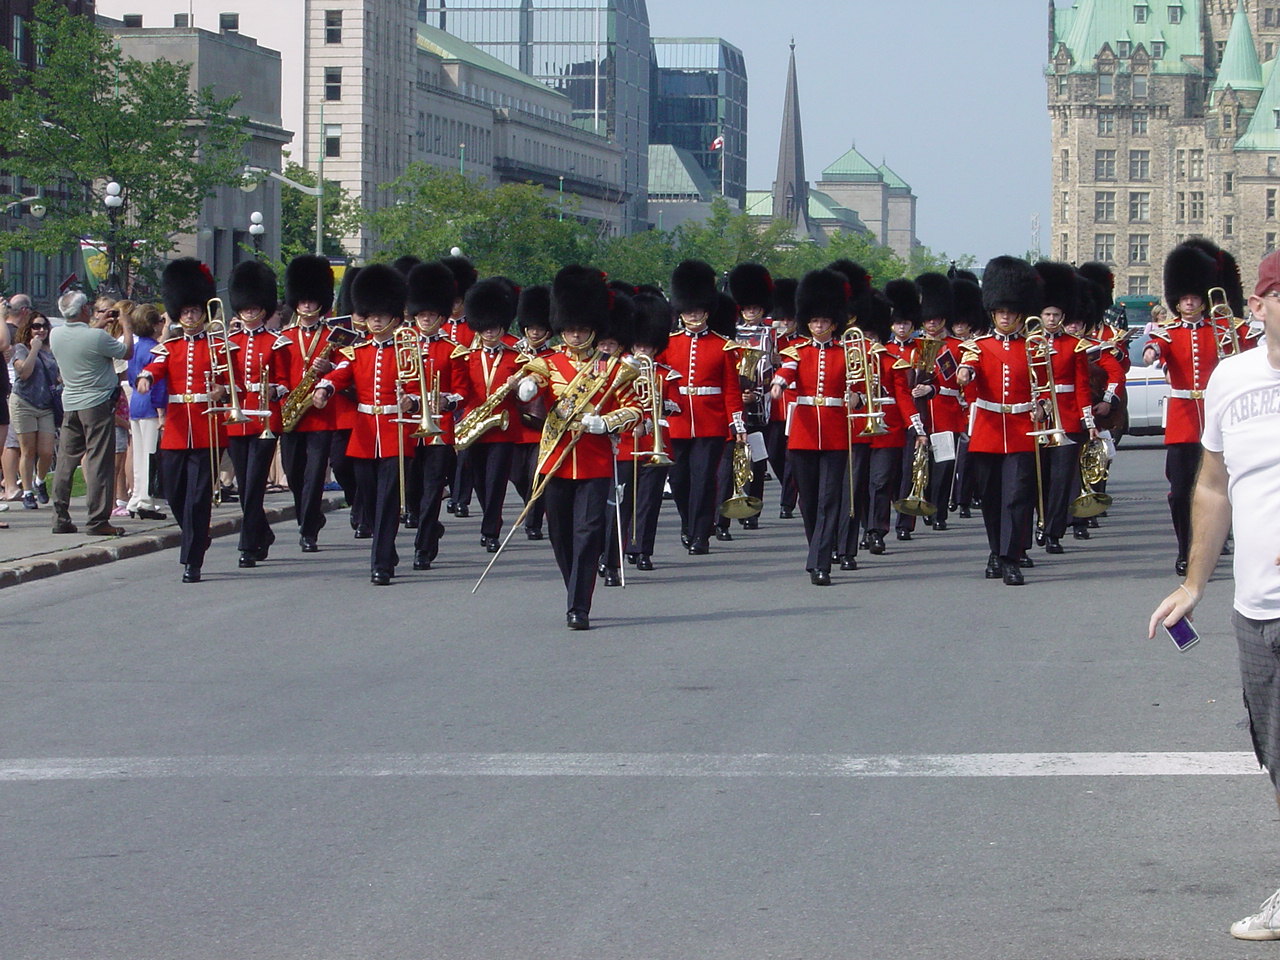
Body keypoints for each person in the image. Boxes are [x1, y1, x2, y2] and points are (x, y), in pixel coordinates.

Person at [1147, 248, 1280, 941]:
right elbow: (1212, 486)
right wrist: (1194, 583)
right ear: (1257, 307)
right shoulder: (1230, 378)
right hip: (1256, 606)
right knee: (1275, 754)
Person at [516, 265, 642, 630]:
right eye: (570, 329)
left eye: (582, 329)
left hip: (595, 461)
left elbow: (635, 408)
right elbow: (535, 384)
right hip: (556, 460)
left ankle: (578, 604)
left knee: (588, 532)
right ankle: (575, 583)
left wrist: (607, 423)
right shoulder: (547, 361)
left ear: (593, 329)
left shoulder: (615, 369)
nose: (575, 335)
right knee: (560, 534)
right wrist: (527, 388)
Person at [1144, 240, 1250, 575]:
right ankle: (1184, 547)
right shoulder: (1169, 332)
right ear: (1176, 301)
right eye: (1184, 298)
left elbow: (1253, 342)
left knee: (1223, 485)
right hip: (1182, 421)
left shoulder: (1224, 327)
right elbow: (1155, 347)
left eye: (1194, 297)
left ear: (1203, 298)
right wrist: (1150, 354)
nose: (1189, 302)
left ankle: (1216, 540)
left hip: (1218, 417)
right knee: (1180, 492)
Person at [312, 264, 417, 585]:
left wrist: (410, 400)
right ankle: (387, 548)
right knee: (368, 498)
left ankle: (381, 562)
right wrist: (324, 387)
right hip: (364, 432)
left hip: (396, 431)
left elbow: (417, 386)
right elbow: (339, 373)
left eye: (381, 315)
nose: (375, 320)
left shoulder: (408, 350)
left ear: (394, 318)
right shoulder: (356, 351)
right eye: (371, 314)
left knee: (387, 501)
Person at [955, 255, 1043, 586]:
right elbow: (969, 367)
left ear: (1020, 314)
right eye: (1000, 312)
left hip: (1022, 429)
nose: (1006, 317)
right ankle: (996, 550)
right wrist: (965, 373)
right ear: (992, 313)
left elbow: (1043, 385)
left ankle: (1010, 557)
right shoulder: (977, 346)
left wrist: (1043, 408)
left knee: (1017, 495)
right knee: (991, 498)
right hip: (989, 430)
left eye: (1011, 312)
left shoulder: (1034, 348)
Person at [134, 259, 221, 581]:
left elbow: (233, 381)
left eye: (195, 311)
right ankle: (198, 535)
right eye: (185, 312)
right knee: (173, 492)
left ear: (203, 313)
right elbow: (155, 367)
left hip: (206, 427)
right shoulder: (169, 347)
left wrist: (222, 390)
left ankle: (192, 559)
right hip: (175, 427)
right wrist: (145, 378)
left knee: (199, 497)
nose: (190, 316)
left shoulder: (218, 345)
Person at [769, 268, 855, 585]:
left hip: (834, 433)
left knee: (830, 498)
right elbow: (788, 370)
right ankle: (819, 545)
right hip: (804, 432)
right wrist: (778, 384)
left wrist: (856, 397)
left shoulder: (847, 352)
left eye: (824, 322)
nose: (818, 326)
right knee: (808, 500)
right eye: (814, 321)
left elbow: (858, 386)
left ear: (834, 323)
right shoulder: (798, 351)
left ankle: (819, 563)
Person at [660, 259, 746, 555]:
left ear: (706, 311)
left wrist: (737, 422)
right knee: (680, 479)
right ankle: (688, 522)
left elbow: (731, 388)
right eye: (688, 311)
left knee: (703, 479)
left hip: (711, 422)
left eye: (697, 311)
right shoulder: (668, 344)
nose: (692, 316)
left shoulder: (723, 346)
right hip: (678, 420)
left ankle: (700, 534)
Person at [48, 287, 133, 537]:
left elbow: (82, 339)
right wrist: (125, 325)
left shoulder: (56, 335)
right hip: (96, 404)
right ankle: (98, 520)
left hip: (71, 403)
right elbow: (126, 351)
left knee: (65, 462)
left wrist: (98, 322)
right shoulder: (97, 338)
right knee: (99, 463)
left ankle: (59, 517)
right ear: (85, 310)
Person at [452, 277, 526, 552]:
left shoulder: (514, 357)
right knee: (479, 479)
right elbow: (459, 389)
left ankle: (491, 529)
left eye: (495, 327)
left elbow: (529, 394)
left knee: (496, 479)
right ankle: (490, 515)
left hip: (503, 427)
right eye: (486, 327)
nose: (491, 332)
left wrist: (519, 387)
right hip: (474, 424)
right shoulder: (464, 356)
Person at [225, 260, 291, 568]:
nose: (250, 311)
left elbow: (287, 381)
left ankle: (248, 543)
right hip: (238, 418)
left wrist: (274, 390)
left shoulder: (277, 342)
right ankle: (261, 532)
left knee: (253, 483)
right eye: (245, 307)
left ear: (263, 308)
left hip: (265, 417)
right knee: (244, 484)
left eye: (255, 307)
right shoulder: (229, 343)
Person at [277, 255, 342, 553]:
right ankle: (310, 515)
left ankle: (308, 530)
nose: (305, 305)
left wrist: (328, 368)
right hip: (292, 411)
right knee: (293, 472)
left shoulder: (334, 336)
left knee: (315, 473)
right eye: (301, 300)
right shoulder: (286, 336)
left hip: (320, 413)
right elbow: (278, 371)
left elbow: (345, 370)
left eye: (311, 300)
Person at [1031, 261, 1096, 555]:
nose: (1052, 319)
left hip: (1067, 416)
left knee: (1060, 479)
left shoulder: (1075, 345)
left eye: (1056, 314)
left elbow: (1082, 384)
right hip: (1038, 417)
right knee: (1038, 477)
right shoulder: (1029, 344)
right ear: (1040, 315)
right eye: (1047, 314)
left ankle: (1054, 530)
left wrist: (1088, 419)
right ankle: (1039, 520)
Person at [403, 260, 463, 571]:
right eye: (422, 314)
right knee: (413, 492)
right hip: (407, 427)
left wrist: (446, 400)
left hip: (440, 428)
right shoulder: (402, 344)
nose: (426, 319)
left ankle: (423, 547)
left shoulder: (452, 349)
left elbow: (463, 390)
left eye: (432, 315)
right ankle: (426, 527)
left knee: (432, 489)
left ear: (440, 317)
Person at [9, 309, 60, 510]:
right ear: (28, 329)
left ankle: (40, 480)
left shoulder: (52, 351)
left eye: (44, 326)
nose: (40, 330)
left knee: (47, 452)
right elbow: (24, 373)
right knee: (28, 450)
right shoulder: (20, 348)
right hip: (24, 403)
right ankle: (28, 492)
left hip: (46, 405)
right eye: (35, 326)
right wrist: (34, 349)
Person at [124, 302, 168, 520]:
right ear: (152, 325)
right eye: (160, 321)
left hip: (136, 403)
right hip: (151, 404)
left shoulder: (135, 347)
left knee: (140, 455)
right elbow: (158, 384)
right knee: (150, 454)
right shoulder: (155, 349)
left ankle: (136, 497)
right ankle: (146, 501)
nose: (163, 324)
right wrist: (162, 413)